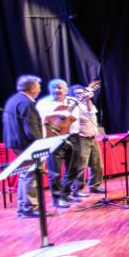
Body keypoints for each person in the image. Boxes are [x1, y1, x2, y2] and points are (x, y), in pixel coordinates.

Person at [36, 79, 82, 209]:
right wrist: (58, 113)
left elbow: (76, 118)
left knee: (73, 168)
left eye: (60, 88)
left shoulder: (73, 101)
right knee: (55, 171)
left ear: (66, 90)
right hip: (54, 138)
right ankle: (57, 198)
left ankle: (66, 194)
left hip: (73, 136)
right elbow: (41, 118)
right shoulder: (44, 103)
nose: (57, 90)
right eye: (54, 88)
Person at [2, 74, 44, 218]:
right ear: (32, 88)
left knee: (25, 174)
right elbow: (31, 127)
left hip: (16, 142)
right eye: (38, 87)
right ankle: (30, 208)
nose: (39, 90)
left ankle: (24, 207)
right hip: (26, 144)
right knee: (31, 175)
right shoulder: (26, 102)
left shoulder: (13, 100)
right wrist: (41, 144)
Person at [68, 84, 103, 198]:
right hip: (82, 139)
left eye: (81, 92)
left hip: (93, 138)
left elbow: (91, 111)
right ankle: (76, 190)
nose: (80, 95)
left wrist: (88, 98)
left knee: (97, 165)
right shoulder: (73, 106)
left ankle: (95, 186)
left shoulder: (86, 104)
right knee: (80, 166)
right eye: (77, 93)